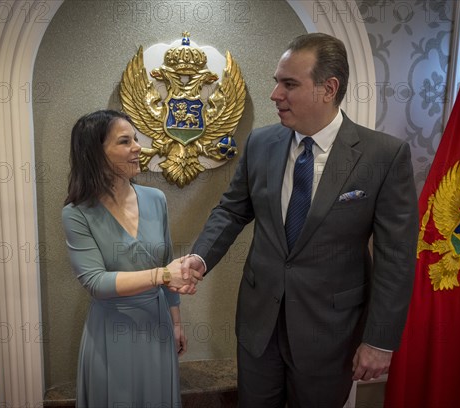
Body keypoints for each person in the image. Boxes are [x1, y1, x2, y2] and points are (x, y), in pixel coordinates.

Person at [179, 33, 419, 407]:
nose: (275, 94)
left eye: (289, 84)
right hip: (259, 328)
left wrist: (380, 341)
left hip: (331, 333)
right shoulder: (261, 144)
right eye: (277, 81)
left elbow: (397, 258)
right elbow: (231, 209)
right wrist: (200, 257)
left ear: (328, 88)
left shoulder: (383, 156)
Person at [62, 109, 195, 407]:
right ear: (95, 153)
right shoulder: (77, 214)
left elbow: (168, 260)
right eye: (125, 141)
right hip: (112, 333)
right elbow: (96, 282)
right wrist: (160, 275)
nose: (138, 147)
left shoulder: (156, 199)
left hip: (157, 325)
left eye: (135, 139)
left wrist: (175, 323)